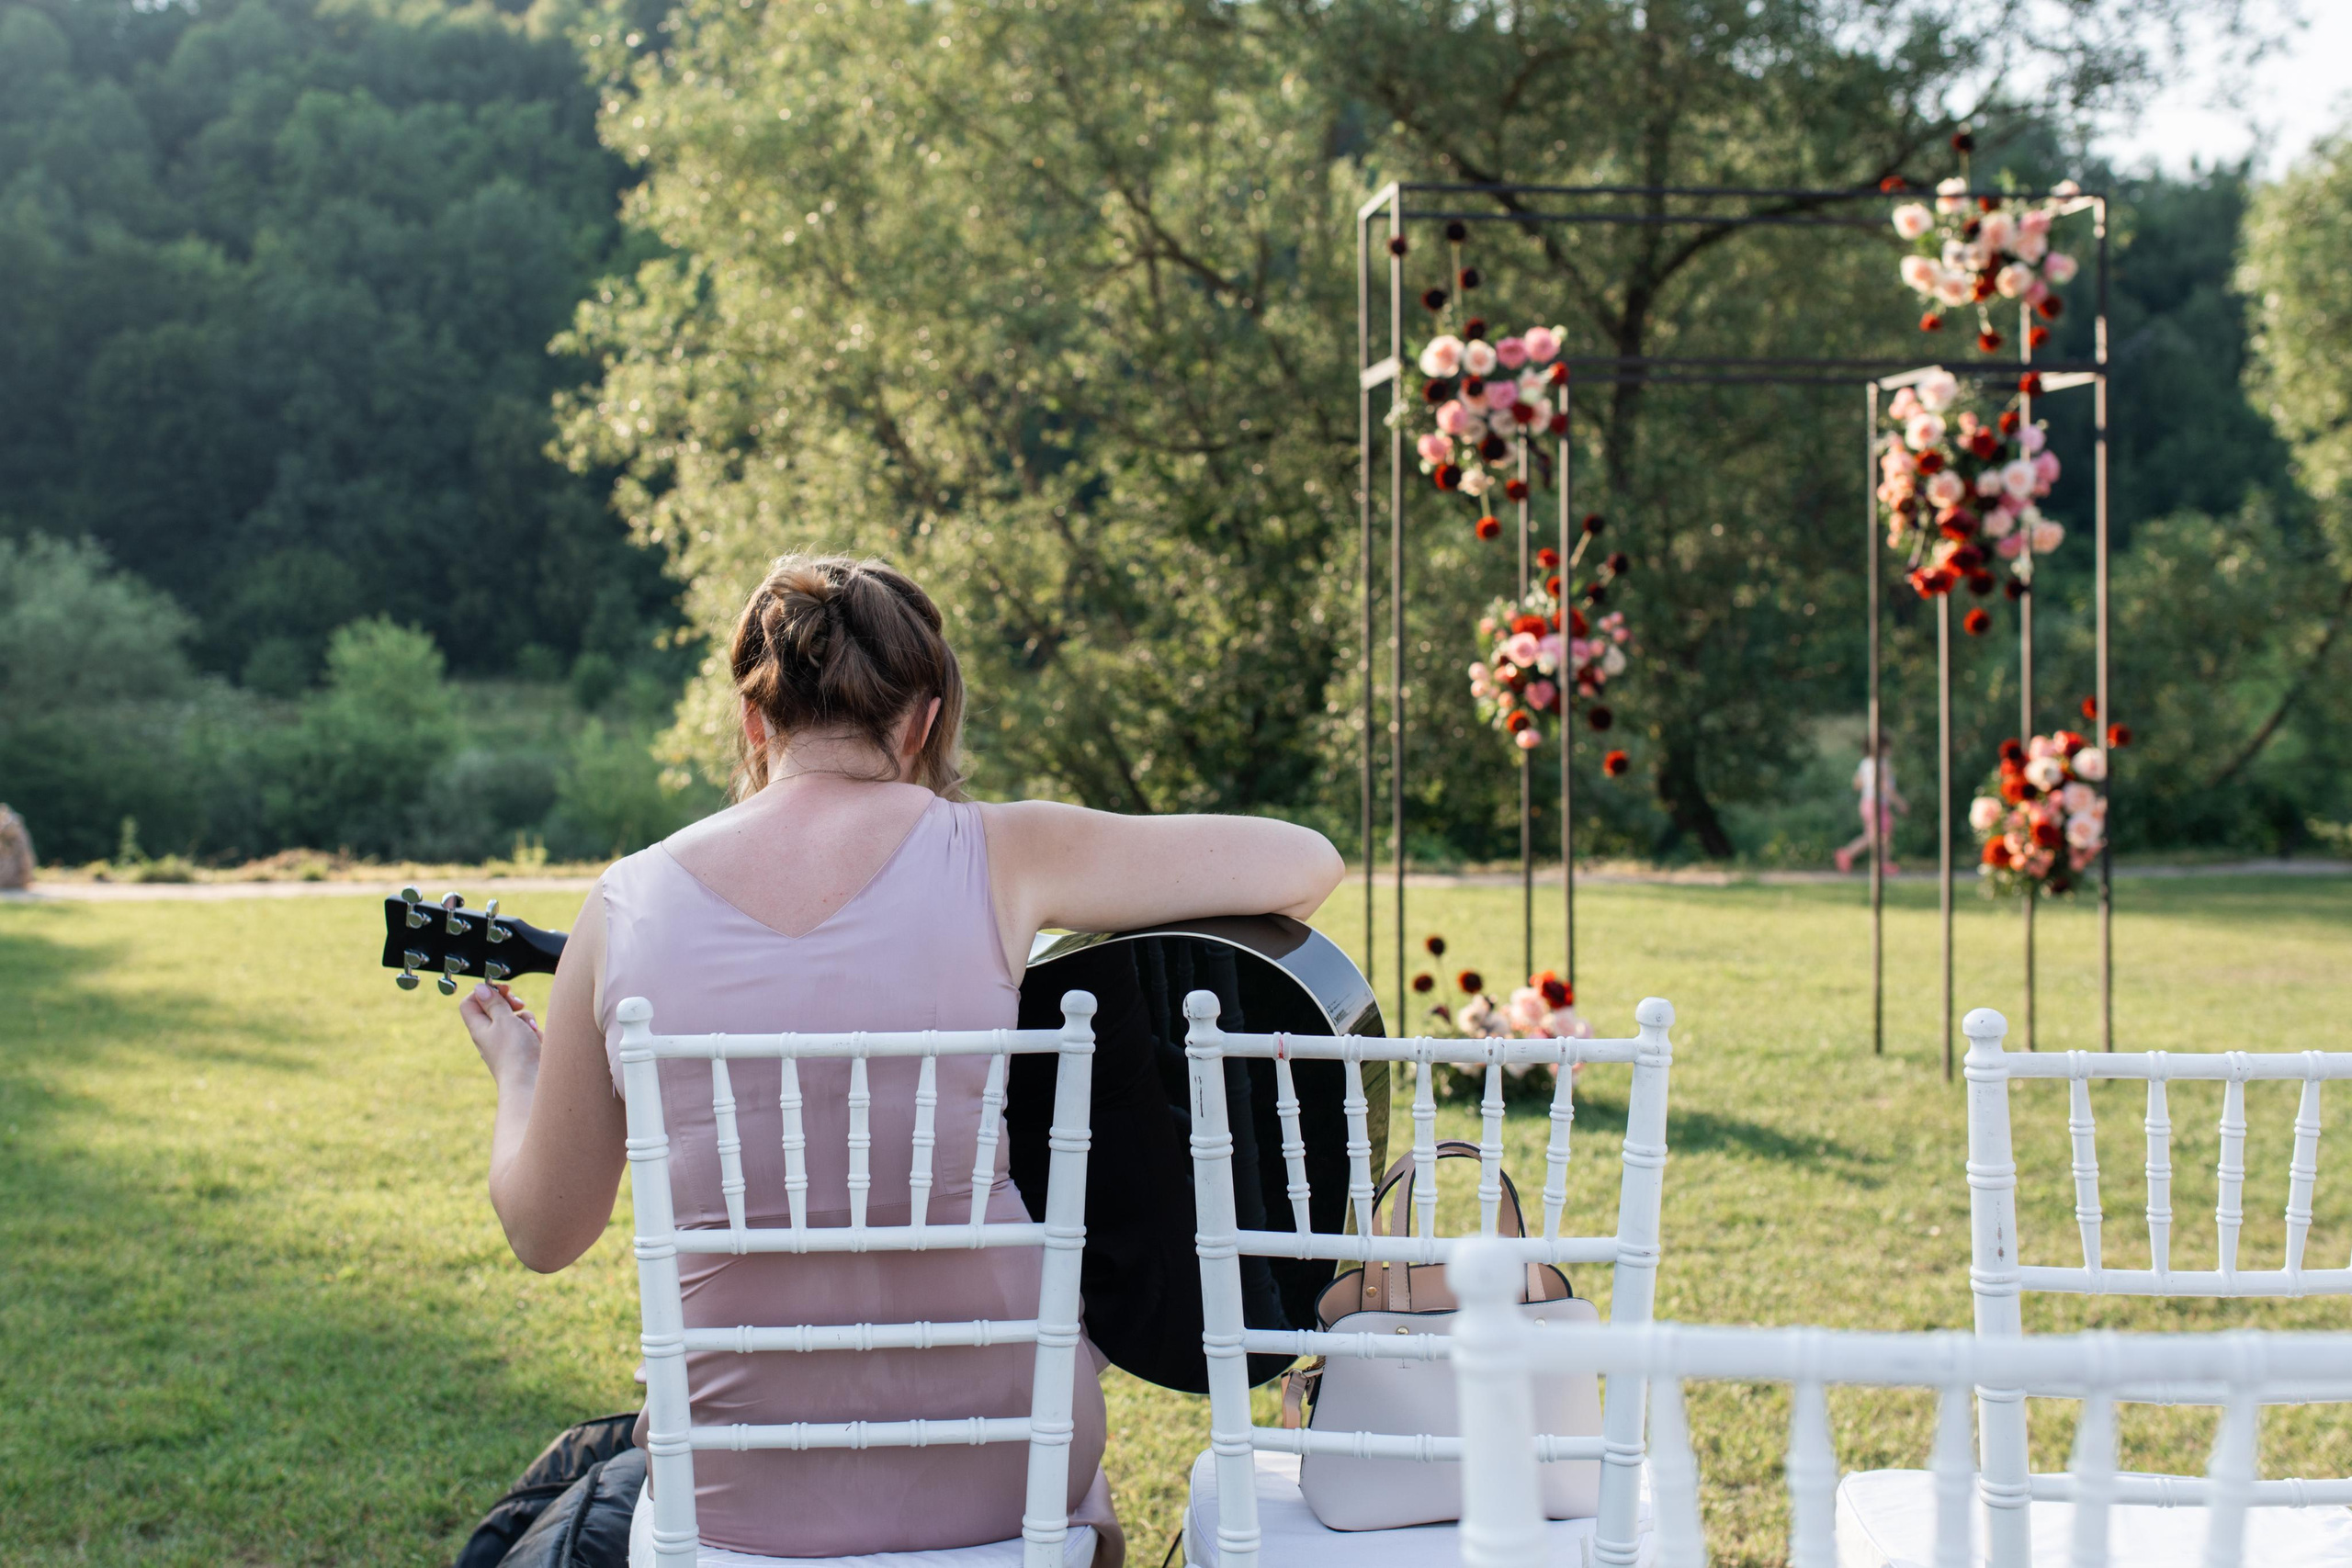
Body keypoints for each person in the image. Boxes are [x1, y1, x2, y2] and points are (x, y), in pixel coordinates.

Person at [458, 554, 1343, 1564]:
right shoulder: (1004, 853)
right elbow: (1303, 864)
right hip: (1013, 1458)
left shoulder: (624, 904)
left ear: (754, 722)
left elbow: (545, 1230)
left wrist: (518, 1075)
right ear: (922, 720)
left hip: (739, 1485)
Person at [1834, 750, 1906, 874]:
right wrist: (1900, 802)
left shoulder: (1866, 762)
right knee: (1879, 834)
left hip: (1867, 802)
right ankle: (1848, 853)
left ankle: (1882, 862)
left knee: (1880, 834)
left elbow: (1856, 784)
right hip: (1877, 803)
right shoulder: (1882, 763)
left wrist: (1869, 781)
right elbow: (1884, 785)